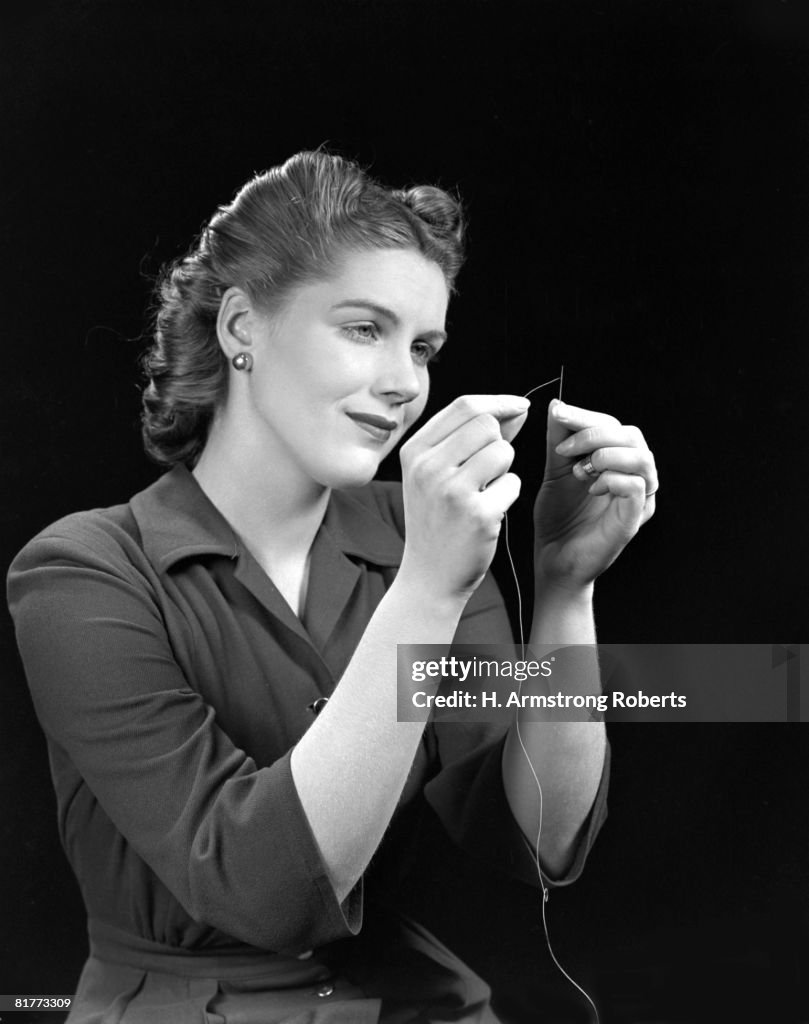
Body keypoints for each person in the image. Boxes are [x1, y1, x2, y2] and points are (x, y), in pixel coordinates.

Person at [7, 151, 657, 1023]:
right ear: (242, 325)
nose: (405, 385)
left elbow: (537, 835)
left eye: (422, 347)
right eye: (362, 328)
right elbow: (262, 891)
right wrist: (425, 590)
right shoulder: (83, 572)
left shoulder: (420, 536)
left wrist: (563, 586)